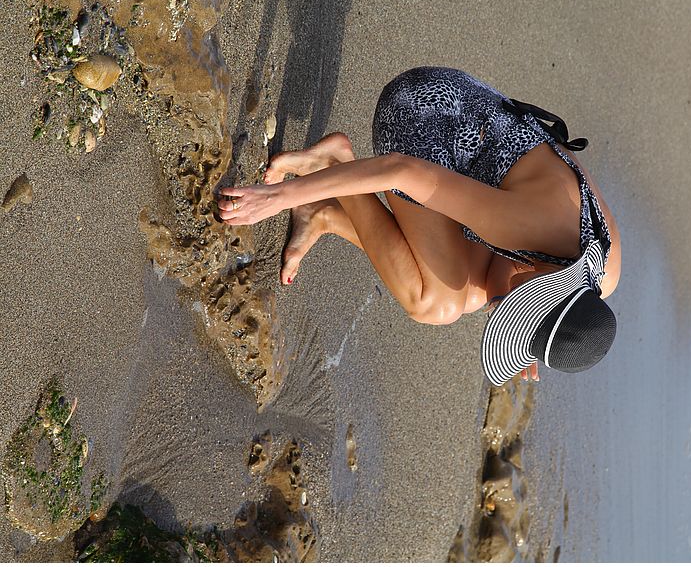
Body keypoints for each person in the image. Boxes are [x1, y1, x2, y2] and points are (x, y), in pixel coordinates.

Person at [218, 67, 622, 385]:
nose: (508, 305)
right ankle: (331, 166)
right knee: (435, 302)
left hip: (485, 149)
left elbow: (562, 159)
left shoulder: (603, 272)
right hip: (426, 112)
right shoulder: (528, 227)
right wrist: (282, 196)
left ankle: (329, 214)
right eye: (522, 306)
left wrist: (532, 337)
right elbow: (401, 170)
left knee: (479, 291)